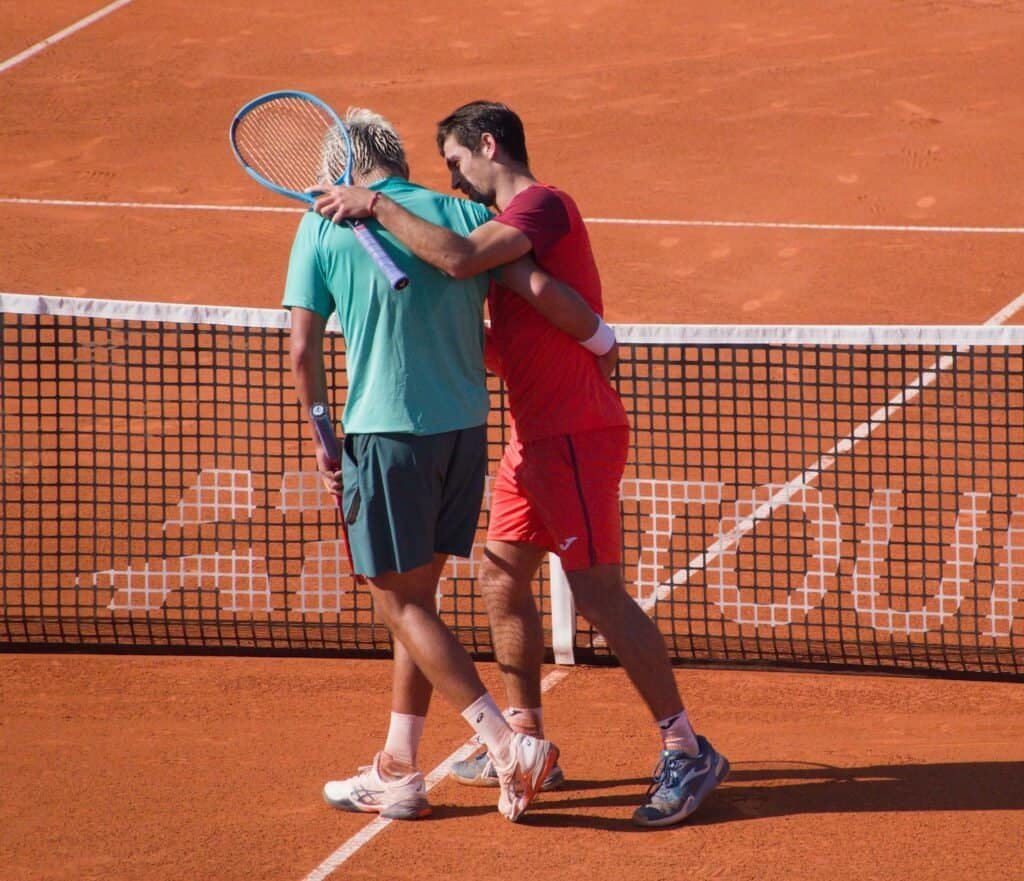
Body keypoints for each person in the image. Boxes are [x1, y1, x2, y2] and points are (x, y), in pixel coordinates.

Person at [313, 100, 729, 828]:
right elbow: (517, 319)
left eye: (456, 161)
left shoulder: (539, 206)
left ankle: (686, 748)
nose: (454, 179)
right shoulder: (501, 232)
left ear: (488, 144)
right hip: (530, 435)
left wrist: (374, 203)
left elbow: (457, 259)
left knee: (598, 594)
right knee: (501, 575)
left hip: (572, 431)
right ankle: (527, 739)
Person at [285, 107, 609, 824]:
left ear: (344, 168)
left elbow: (303, 351)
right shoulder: (461, 215)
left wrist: (323, 437)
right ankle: (399, 769)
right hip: (464, 434)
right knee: (419, 604)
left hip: (386, 435)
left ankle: (507, 744)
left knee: (397, 602)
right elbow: (511, 292)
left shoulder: (320, 224)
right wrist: (598, 337)